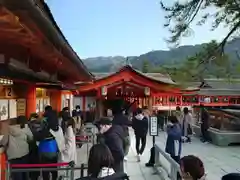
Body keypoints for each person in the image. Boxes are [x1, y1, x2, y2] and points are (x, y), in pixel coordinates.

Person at [35, 110, 65, 180]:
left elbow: (38, 137)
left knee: (46, 171)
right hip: (55, 152)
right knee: (54, 169)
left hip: (45, 152)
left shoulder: (47, 129)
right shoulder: (59, 128)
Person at [0, 116, 33, 180]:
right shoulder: (25, 128)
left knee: (17, 175)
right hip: (25, 154)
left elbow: (4, 142)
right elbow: (31, 138)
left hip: (14, 157)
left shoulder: (9, 129)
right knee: (25, 174)